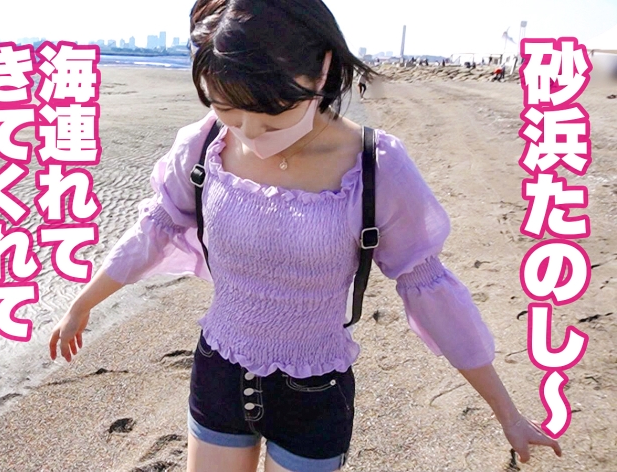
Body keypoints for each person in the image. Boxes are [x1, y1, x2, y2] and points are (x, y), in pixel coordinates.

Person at [48, 1, 563, 471]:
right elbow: (156, 227)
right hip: (218, 371)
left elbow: (427, 287)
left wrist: (508, 413)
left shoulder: (376, 166)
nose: (250, 134)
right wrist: (84, 302)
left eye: (273, 112)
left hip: (313, 391)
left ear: (321, 70)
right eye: (227, 107)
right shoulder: (203, 144)